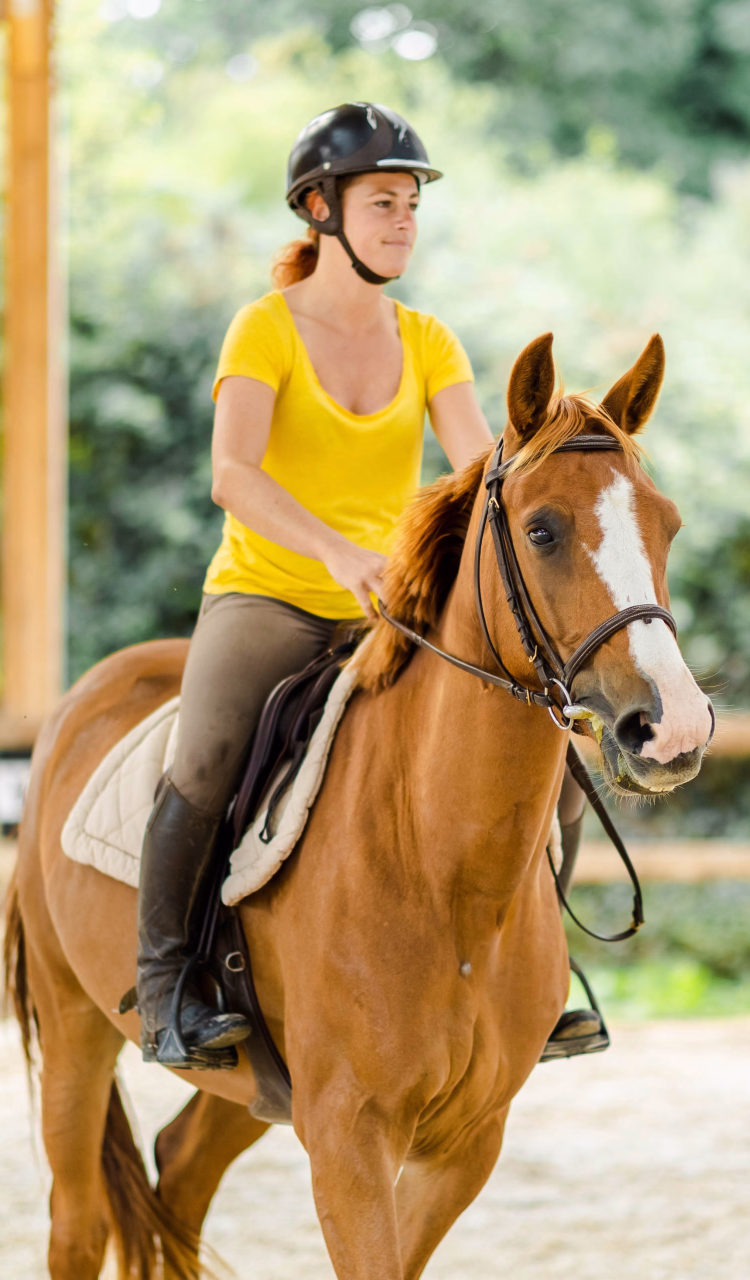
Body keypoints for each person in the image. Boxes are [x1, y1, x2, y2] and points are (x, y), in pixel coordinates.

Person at [136, 101, 605, 1069]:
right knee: (206, 758)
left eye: (411, 204)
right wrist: (341, 554)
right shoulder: (262, 329)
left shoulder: (429, 339)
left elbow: (484, 474)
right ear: (319, 208)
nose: (403, 220)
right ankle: (167, 985)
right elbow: (234, 475)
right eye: (383, 200)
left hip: (395, 605)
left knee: (550, 750)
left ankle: (538, 975)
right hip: (269, 593)